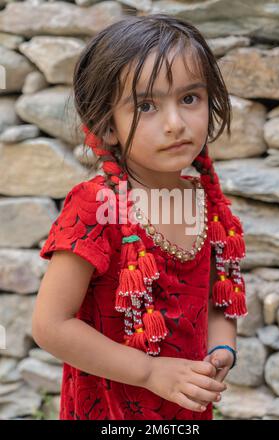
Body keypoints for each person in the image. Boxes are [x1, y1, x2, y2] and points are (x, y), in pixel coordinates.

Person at [31, 13, 248, 420]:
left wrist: (222, 350)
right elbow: (51, 325)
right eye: (146, 105)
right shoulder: (96, 206)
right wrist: (149, 371)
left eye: (189, 99)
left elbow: (220, 296)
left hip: (184, 406)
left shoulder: (207, 202)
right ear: (107, 125)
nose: (175, 123)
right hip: (111, 411)